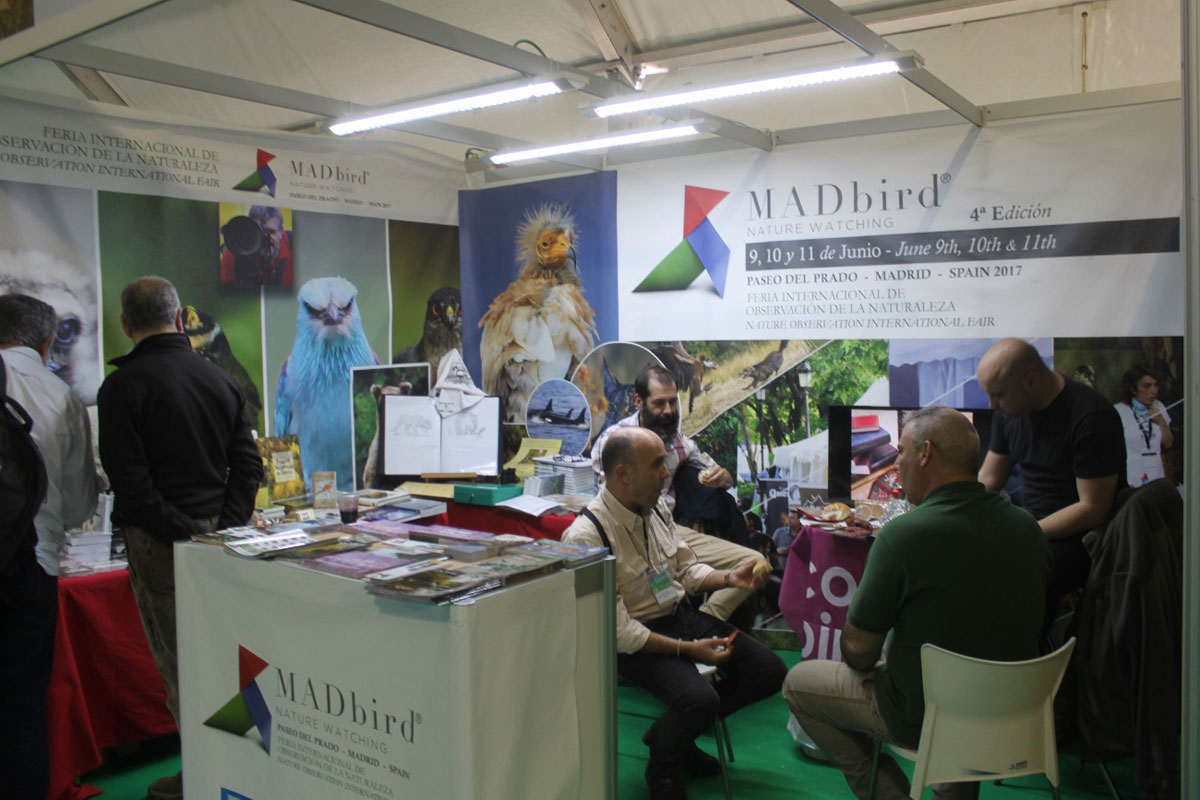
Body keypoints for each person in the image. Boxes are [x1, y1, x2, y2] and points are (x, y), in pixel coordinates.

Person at [783, 406, 1051, 800]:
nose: (895, 464)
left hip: (922, 716)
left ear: (925, 453)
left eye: (901, 452)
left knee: (798, 685)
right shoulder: (1028, 528)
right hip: (1012, 714)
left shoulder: (902, 536)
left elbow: (858, 650)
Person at [98, 277, 263, 800]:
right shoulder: (220, 379)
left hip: (162, 543)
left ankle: (203, 774)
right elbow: (249, 466)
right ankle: (246, 767)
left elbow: (132, 485)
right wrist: (224, 526)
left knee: (181, 664)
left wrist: (184, 534)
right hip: (222, 539)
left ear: (125, 325)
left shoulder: (121, 389)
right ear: (177, 319)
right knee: (233, 654)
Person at [565, 427, 786, 800]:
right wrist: (688, 651)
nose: (666, 473)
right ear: (623, 473)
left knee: (769, 671)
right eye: (656, 465)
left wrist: (730, 578)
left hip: (679, 617)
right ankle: (663, 765)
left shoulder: (655, 509)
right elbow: (618, 633)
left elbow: (687, 571)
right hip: (632, 642)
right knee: (700, 700)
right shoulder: (585, 537)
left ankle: (672, 735)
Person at [0, 293, 98, 798]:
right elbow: (80, 506)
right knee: (21, 703)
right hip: (32, 562)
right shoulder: (59, 395)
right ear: (45, 343)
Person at [590, 364, 768, 622]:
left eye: (673, 402)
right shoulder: (613, 443)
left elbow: (719, 473)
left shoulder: (679, 442)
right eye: (659, 403)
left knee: (756, 563)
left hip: (672, 531)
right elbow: (610, 504)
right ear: (638, 401)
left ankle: (707, 620)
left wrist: (723, 476)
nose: (668, 411)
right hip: (635, 537)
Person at [975, 338, 1124, 632]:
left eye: (999, 394)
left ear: (1030, 381)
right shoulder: (1010, 412)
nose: (992, 404)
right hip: (1032, 527)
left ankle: (1021, 653)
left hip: (1082, 539)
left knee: (1007, 576)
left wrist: (1024, 533)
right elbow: (989, 479)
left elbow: (1093, 508)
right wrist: (950, 511)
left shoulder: (1091, 417)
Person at [1113, 364, 1173, 486]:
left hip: (1156, 475)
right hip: (1131, 476)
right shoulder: (1119, 411)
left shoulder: (1159, 406)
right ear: (1133, 389)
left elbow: (1168, 443)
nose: (1153, 391)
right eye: (1147, 386)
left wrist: (1162, 422)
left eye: (1156, 385)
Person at [219, 205, 293, 286]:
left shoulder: (296, 246)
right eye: (260, 232)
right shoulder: (237, 252)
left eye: (271, 232)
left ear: (281, 232)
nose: (266, 238)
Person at [771, 506, 803, 572]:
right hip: (782, 571)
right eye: (789, 517)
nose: (789, 520)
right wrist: (777, 551)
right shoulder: (779, 532)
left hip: (799, 571)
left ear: (799, 520)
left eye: (792, 518)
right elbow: (770, 550)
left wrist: (789, 551)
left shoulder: (804, 534)